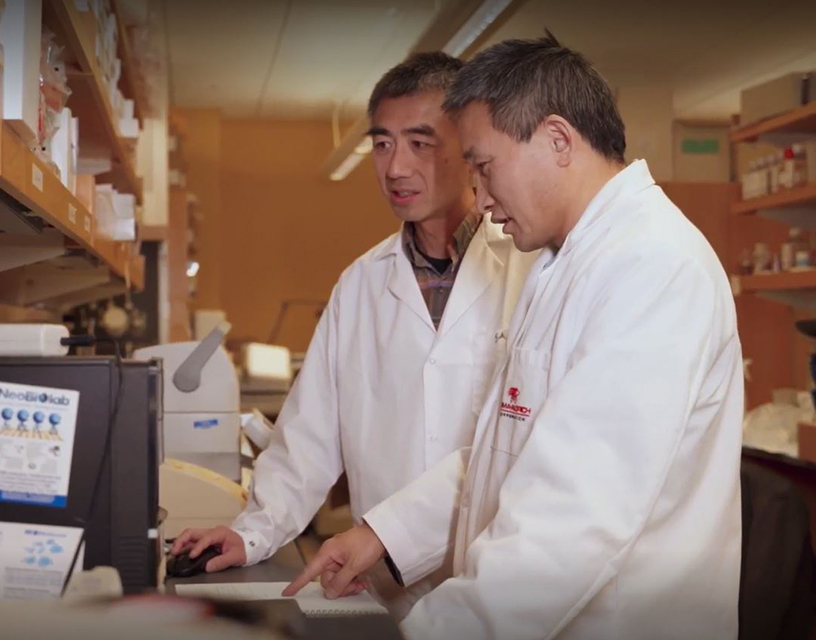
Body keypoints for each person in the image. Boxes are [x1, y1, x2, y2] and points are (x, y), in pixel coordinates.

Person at [284, 35, 743, 640]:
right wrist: (382, 534)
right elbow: (507, 453)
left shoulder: (652, 267)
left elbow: (574, 520)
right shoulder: (564, 262)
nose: (478, 194)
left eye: (484, 165)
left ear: (557, 140)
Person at [170, 51, 535, 616]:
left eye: (420, 142)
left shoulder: (529, 270)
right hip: (387, 588)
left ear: (469, 146)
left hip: (505, 587)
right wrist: (254, 532)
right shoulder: (360, 284)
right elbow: (308, 439)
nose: (394, 167)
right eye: (382, 143)